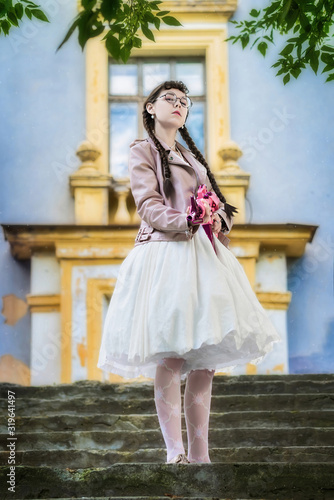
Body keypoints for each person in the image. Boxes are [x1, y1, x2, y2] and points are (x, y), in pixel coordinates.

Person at [97, 80, 281, 465]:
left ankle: (201, 456)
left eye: (185, 102)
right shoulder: (141, 150)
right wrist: (186, 219)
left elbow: (214, 210)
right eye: (169, 99)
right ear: (150, 108)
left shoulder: (194, 159)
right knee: (172, 356)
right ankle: (174, 452)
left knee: (205, 363)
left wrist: (213, 220)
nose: (178, 105)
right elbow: (147, 204)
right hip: (166, 252)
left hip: (203, 256)